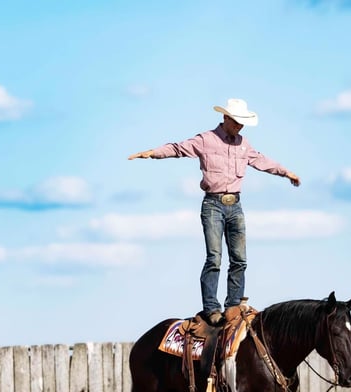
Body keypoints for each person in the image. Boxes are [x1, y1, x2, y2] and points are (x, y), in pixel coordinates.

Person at [128, 98, 300, 325]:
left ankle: (233, 305)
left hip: (235, 205)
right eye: (237, 121)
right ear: (225, 118)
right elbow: (178, 148)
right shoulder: (206, 140)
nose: (240, 126)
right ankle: (211, 307)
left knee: (240, 259)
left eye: (243, 123)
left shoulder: (244, 144)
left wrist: (286, 172)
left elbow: (262, 161)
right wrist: (151, 153)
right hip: (213, 206)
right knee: (215, 258)